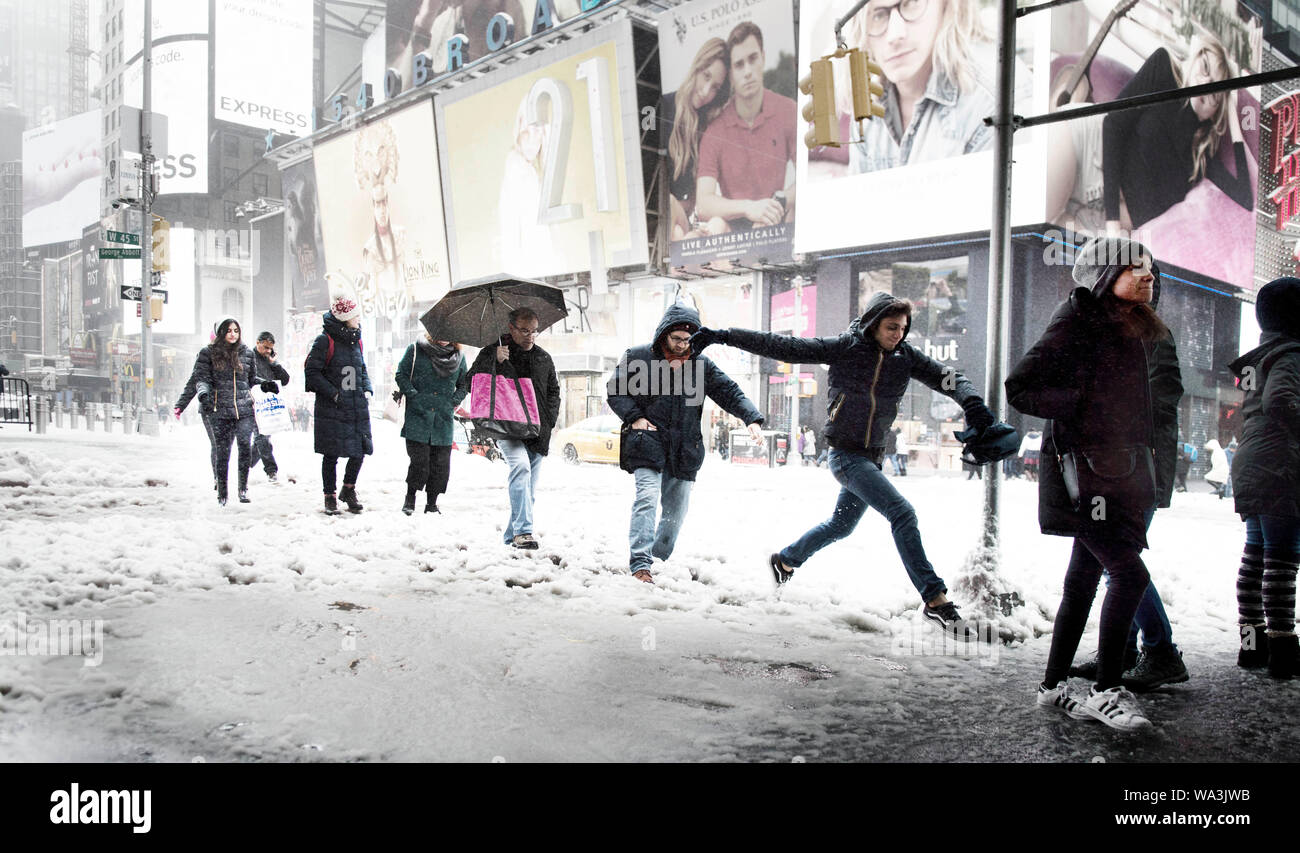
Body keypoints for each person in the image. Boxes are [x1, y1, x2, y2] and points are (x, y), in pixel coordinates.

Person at [692, 292, 995, 634]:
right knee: (903, 513)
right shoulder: (845, 347)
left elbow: (950, 378)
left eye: (903, 328)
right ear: (873, 323)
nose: (898, 334)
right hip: (845, 455)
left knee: (841, 525)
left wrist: (973, 404)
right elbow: (784, 346)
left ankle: (786, 560)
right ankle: (935, 600)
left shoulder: (906, 357)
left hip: (873, 456)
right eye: (891, 327)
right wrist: (724, 335)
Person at [1007, 236, 1173, 730]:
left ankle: (1053, 686)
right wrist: (1085, 404)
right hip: (1086, 475)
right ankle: (1107, 689)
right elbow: (1021, 387)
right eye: (1135, 267)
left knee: (1082, 581)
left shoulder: (1132, 323)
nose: (1148, 274)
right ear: (1104, 275)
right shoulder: (1077, 318)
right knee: (1129, 574)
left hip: (1121, 472)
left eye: (1149, 266)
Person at [607, 304, 764, 583]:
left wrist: (751, 418)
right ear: (664, 334)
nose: (682, 345)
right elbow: (615, 390)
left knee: (675, 512)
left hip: (685, 448)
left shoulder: (702, 365)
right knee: (646, 499)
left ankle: (658, 557)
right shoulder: (638, 357)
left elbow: (730, 392)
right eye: (676, 338)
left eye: (688, 340)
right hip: (648, 442)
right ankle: (641, 564)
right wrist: (635, 418)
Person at [1048, 34, 1251, 234]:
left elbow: (1245, 197)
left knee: (1036, 240)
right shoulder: (1164, 70)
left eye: (1216, 88)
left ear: (1217, 109)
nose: (1206, 82)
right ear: (1196, 57)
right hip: (1086, 148)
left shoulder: (1201, 154)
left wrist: (1233, 117)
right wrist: (1113, 224)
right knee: (1036, 209)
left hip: (1096, 213)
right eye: (1205, 67)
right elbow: (1113, 124)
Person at [844, 0, 1031, 172]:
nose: (895, 34)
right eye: (878, 15)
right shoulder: (867, 106)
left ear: (946, 4)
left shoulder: (996, 98)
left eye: (911, 3)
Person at [1229, 276, 1300, 679]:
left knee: (1257, 556)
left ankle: (1252, 646)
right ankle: (1283, 651)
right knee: (1282, 561)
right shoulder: (1292, 353)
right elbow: (1282, 402)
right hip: (1279, 464)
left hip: (1254, 460)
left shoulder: (1263, 355)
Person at [464, 307, 561, 549]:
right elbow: (469, 383)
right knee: (520, 468)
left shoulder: (543, 358)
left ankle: (511, 536)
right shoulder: (493, 351)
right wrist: (492, 360)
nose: (530, 336)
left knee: (528, 491)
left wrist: (548, 421)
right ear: (511, 328)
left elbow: (553, 392)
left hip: (537, 431)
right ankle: (523, 532)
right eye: (524, 330)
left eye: (534, 331)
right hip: (506, 426)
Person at [694, 21, 797, 233]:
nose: (748, 71)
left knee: (797, 207)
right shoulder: (715, 130)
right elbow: (703, 203)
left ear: (764, 58)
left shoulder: (788, 110)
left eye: (753, 59)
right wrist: (750, 208)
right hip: (735, 234)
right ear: (730, 73)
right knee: (714, 226)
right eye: (739, 65)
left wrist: (777, 204)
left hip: (779, 223)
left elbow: (809, 175)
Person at [194, 318, 276, 506]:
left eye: (236, 331)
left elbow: (250, 379)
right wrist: (203, 394)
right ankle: (222, 493)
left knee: (245, 448)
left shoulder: (247, 353)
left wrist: (265, 383)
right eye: (229, 330)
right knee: (223, 453)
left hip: (244, 409)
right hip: (220, 410)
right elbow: (202, 378)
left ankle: (243, 489)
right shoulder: (208, 353)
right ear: (221, 332)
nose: (232, 334)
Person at [304, 294, 373, 515]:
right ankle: (330, 496)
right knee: (331, 454)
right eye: (355, 315)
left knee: (359, 451)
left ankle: (348, 489)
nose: (359, 318)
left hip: (355, 405)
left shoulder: (356, 340)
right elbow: (311, 372)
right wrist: (334, 394)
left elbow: (359, 370)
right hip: (332, 407)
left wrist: (366, 388)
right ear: (346, 317)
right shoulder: (325, 340)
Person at [665, 37, 732, 241]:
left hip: (679, 221)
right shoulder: (661, 107)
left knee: (703, 229)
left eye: (715, 88)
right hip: (659, 218)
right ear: (696, 68)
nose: (705, 92)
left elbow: (696, 200)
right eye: (706, 77)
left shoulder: (707, 127)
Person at [395, 334, 467, 516]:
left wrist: (454, 401)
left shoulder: (459, 357)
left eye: (448, 331)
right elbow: (401, 374)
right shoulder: (416, 350)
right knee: (419, 461)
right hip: (418, 415)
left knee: (440, 464)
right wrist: (413, 394)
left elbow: (464, 384)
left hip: (443, 417)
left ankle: (432, 503)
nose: (444, 336)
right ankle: (410, 497)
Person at [251, 332, 290, 483]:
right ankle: (271, 470)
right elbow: (248, 378)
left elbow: (285, 380)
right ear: (257, 342)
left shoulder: (269, 359)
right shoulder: (249, 357)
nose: (268, 350)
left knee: (263, 438)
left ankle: (245, 463)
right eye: (265, 347)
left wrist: (274, 363)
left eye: (270, 348)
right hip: (254, 402)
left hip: (269, 404)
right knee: (262, 437)